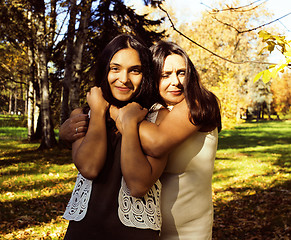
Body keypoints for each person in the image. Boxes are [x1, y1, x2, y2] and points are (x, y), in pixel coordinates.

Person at [61, 40, 221, 240]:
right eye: (165, 74)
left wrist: (108, 109)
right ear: (152, 78)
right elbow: (89, 163)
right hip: (154, 221)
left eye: (182, 72)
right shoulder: (146, 111)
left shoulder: (195, 104)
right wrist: (67, 132)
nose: (176, 82)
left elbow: (157, 143)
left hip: (185, 226)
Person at [62, 34, 166, 240]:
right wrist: (99, 112)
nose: (124, 79)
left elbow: (138, 185)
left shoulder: (158, 116)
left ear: (145, 74)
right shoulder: (83, 115)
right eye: (115, 68)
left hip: (135, 233)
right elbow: (90, 168)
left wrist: (128, 124)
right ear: (104, 70)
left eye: (135, 70)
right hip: (84, 230)